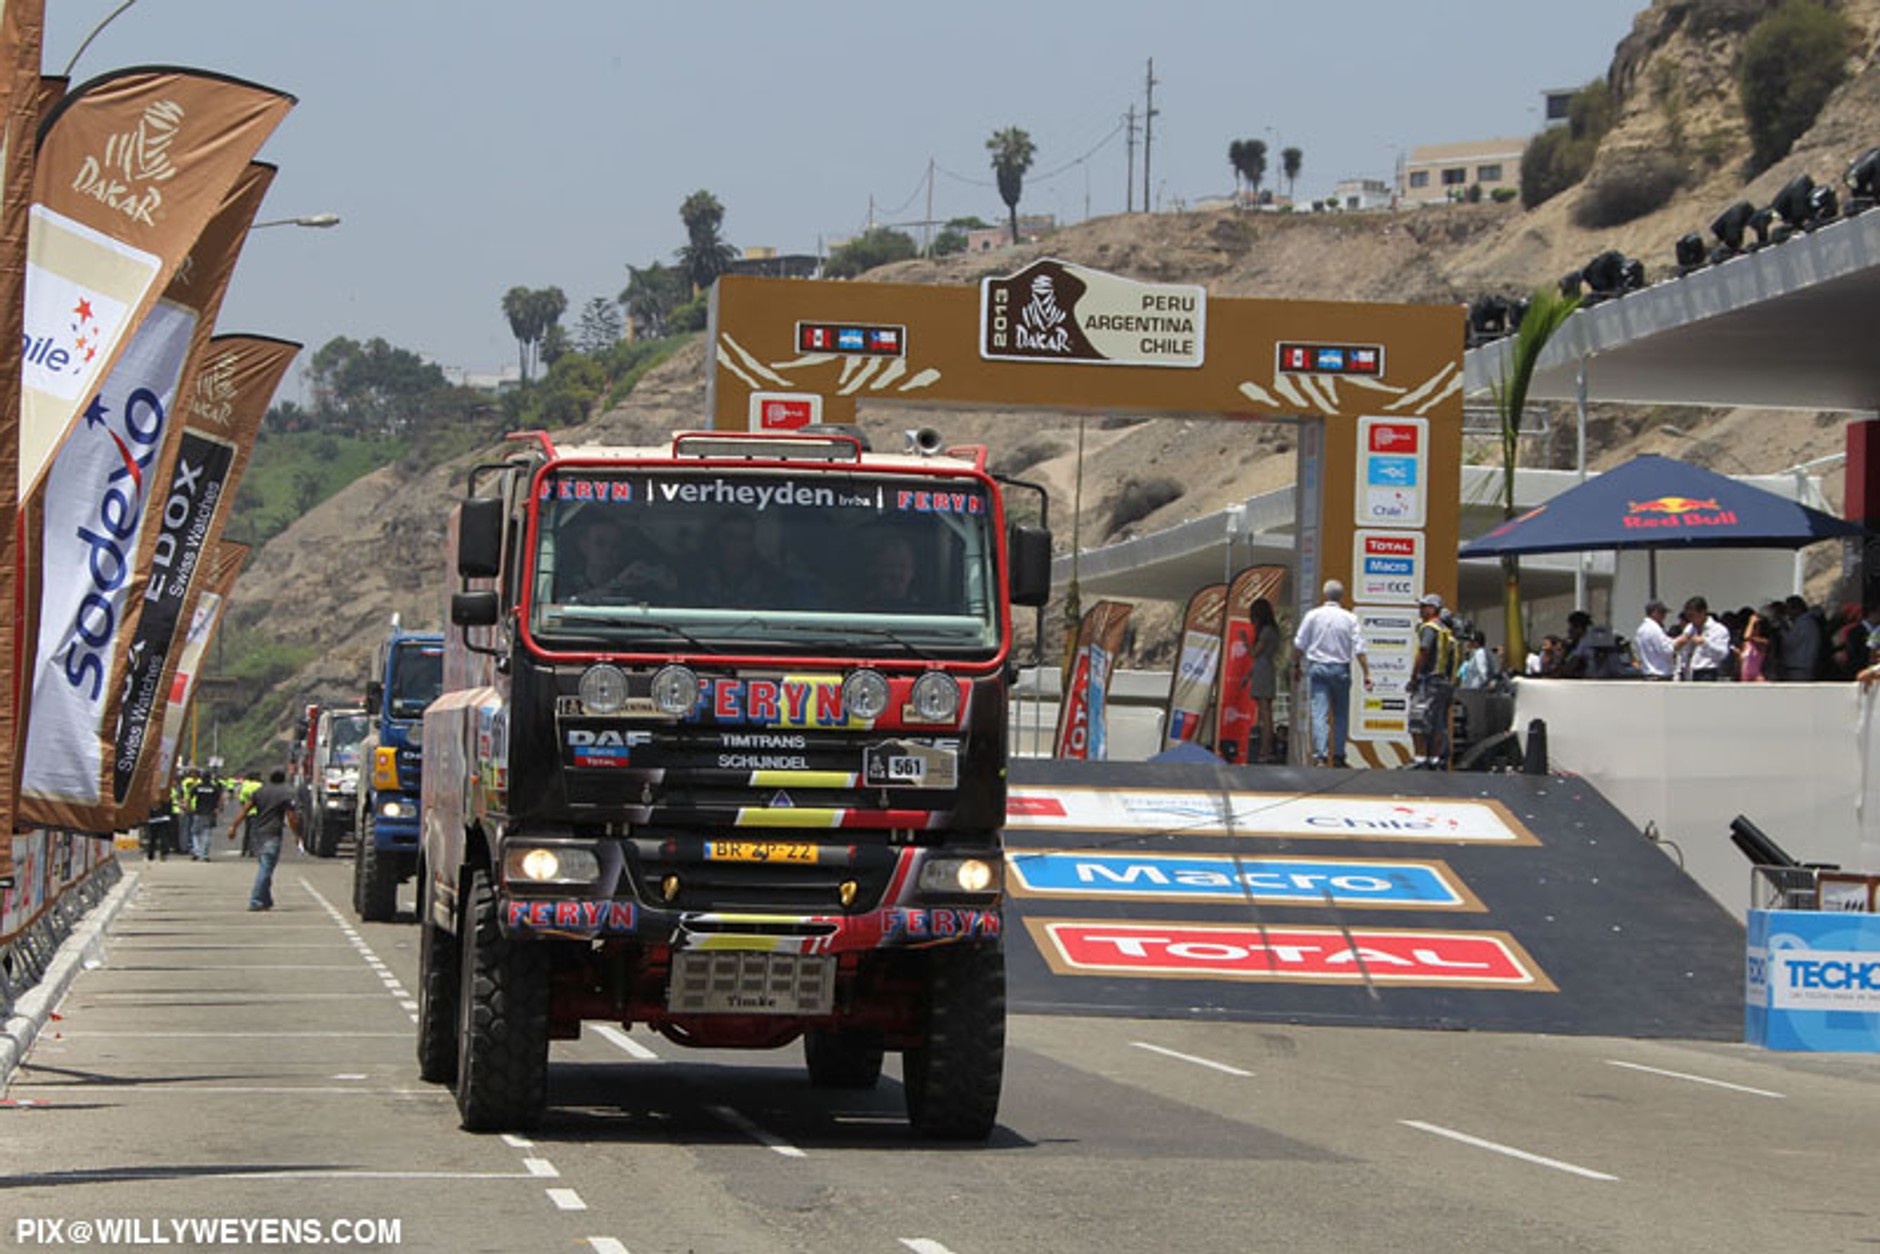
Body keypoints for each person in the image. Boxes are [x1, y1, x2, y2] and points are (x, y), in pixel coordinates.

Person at [1291, 579, 1372, 767]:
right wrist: (1367, 673)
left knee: (1319, 713)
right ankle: (1338, 755)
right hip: (1341, 668)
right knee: (1341, 714)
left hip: (1318, 667)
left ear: (1324, 594)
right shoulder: (1349, 618)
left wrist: (1295, 665)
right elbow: (1359, 648)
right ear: (1341, 596)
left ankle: (1320, 755)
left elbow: (1299, 644)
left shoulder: (1313, 615)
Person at [229, 768, 301, 912]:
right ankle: (256, 900)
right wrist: (296, 834)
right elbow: (291, 817)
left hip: (257, 832)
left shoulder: (260, 792)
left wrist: (234, 827)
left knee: (265, 865)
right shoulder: (285, 794)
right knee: (266, 868)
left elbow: (245, 810)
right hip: (272, 833)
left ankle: (266, 900)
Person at [559, 512, 673, 601]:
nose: (608, 550)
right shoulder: (565, 582)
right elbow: (562, 608)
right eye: (600, 543)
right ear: (584, 545)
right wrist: (616, 585)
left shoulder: (637, 586)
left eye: (615, 545)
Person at [1408, 594, 1457, 767]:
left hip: (1428, 680)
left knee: (1418, 718)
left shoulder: (1429, 628)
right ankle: (1435, 759)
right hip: (1444, 683)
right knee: (1438, 722)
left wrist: (1414, 677)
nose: (1420, 610)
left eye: (1424, 607)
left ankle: (1420, 758)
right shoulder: (1446, 630)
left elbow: (1423, 651)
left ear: (1433, 609)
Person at [1245, 597, 1281, 765]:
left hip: (1263, 671)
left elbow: (1254, 653)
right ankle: (1267, 748)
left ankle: (1264, 750)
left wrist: (1245, 641)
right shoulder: (1273, 630)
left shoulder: (1266, 631)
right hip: (1266, 669)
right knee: (1266, 713)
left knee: (1265, 713)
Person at [1673, 595, 1731, 681]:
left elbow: (1722, 654)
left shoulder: (1718, 630)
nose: (1691, 619)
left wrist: (1704, 643)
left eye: (1693, 615)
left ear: (1703, 612)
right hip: (1687, 671)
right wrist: (1678, 644)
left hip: (1706, 672)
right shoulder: (1690, 627)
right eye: (1688, 616)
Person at [1633, 599, 1676, 679]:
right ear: (1654, 612)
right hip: (1660, 674)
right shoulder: (1655, 629)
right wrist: (1682, 640)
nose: (1664, 616)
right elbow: (1667, 650)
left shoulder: (1642, 629)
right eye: (1662, 612)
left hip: (1647, 673)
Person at [1738, 603, 1776, 683]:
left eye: (1755, 627)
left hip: (1756, 677)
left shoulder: (1762, 642)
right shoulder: (1746, 645)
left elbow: (1746, 637)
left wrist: (1751, 622)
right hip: (1744, 678)